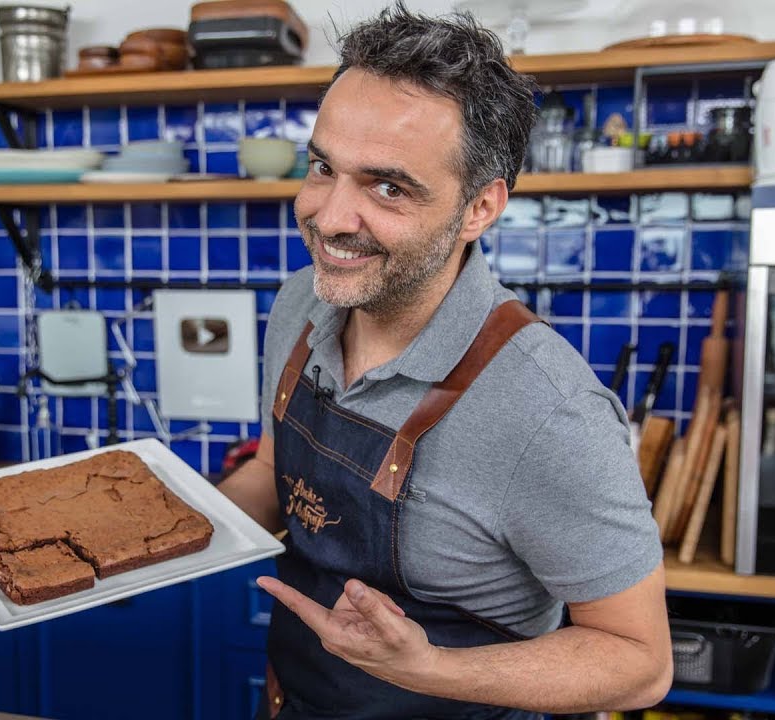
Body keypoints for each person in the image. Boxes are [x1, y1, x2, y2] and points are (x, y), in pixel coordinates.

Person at [216, 5, 671, 719]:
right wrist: (164, 529)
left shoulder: (549, 412)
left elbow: (640, 663)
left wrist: (428, 668)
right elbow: (273, 473)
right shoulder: (302, 303)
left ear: (479, 208)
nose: (329, 218)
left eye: (388, 187)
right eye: (323, 167)